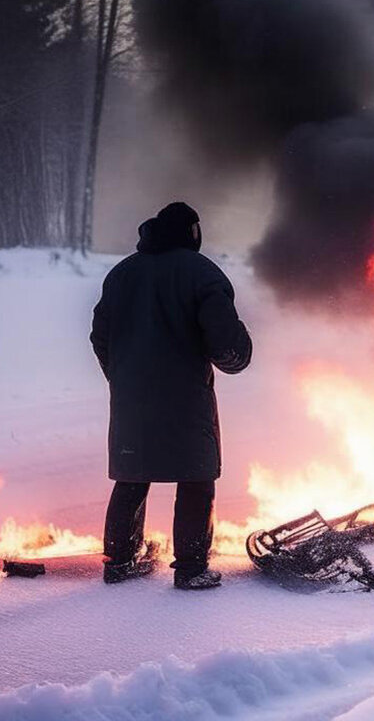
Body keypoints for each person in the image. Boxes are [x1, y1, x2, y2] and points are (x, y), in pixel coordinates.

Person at [90, 202, 252, 590]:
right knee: (196, 475)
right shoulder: (201, 273)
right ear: (192, 232)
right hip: (185, 394)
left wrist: (122, 375)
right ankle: (192, 569)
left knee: (132, 473)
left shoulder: (121, 274)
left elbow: (100, 336)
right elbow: (224, 339)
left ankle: (119, 562)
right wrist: (237, 356)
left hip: (130, 394)